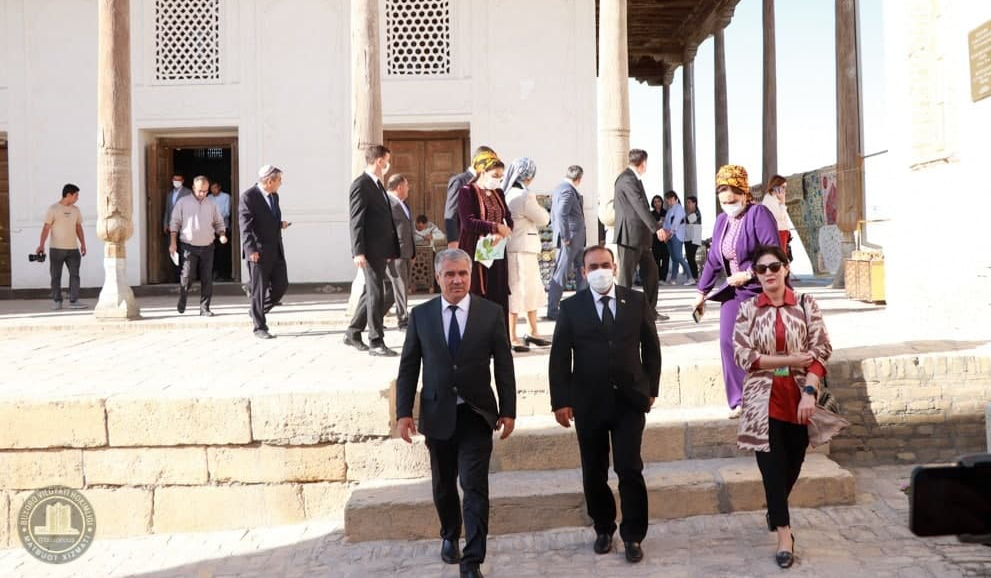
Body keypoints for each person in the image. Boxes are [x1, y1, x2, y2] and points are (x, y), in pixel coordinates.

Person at [396, 248, 516, 578]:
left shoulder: (490, 313)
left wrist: (508, 409)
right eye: (449, 274)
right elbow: (409, 366)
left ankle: (472, 559)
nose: (457, 280)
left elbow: (504, 365)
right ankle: (450, 534)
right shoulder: (421, 316)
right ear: (438, 277)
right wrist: (403, 412)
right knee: (444, 485)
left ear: (470, 275)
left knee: (474, 487)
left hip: (477, 415)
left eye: (462, 273)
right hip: (437, 414)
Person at [548, 245, 661, 564]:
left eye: (605, 265)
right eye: (593, 266)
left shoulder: (635, 301)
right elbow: (559, 358)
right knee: (594, 471)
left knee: (629, 467)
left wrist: (650, 388)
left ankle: (633, 534)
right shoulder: (571, 308)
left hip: (629, 400)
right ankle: (603, 528)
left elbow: (651, 347)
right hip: (589, 402)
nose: (600, 271)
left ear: (615, 267)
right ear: (584, 273)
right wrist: (561, 401)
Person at [733, 245, 833, 569]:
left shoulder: (805, 304)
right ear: (756, 275)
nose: (768, 274)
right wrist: (789, 359)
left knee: (794, 461)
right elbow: (743, 355)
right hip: (761, 399)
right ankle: (784, 536)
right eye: (761, 269)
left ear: (786, 268)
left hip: (798, 395)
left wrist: (810, 391)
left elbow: (821, 349)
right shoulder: (748, 309)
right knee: (772, 469)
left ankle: (775, 509)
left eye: (774, 266)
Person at [692, 165, 780, 418]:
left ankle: (768, 397)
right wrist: (701, 292)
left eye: (732, 200)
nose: (728, 206)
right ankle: (739, 400)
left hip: (759, 287)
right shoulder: (722, 221)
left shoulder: (758, 214)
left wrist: (750, 273)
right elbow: (713, 260)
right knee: (727, 341)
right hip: (733, 290)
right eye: (723, 202)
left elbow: (772, 251)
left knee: (762, 345)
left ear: (744, 194)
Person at [345, 145, 402, 356]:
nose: (388, 165)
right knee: (376, 292)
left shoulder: (377, 184)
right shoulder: (361, 185)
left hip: (380, 249)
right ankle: (376, 341)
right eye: (387, 160)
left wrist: (389, 248)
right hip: (369, 250)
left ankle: (353, 332)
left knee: (374, 291)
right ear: (379, 161)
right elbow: (356, 220)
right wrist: (358, 251)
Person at [503, 157, 551, 353]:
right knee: (517, 293)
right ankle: (513, 336)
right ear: (529, 175)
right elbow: (543, 218)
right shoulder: (524, 196)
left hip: (515, 247)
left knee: (529, 291)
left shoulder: (506, 192)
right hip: (522, 248)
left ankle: (533, 331)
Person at [457, 154, 513, 320]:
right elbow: (468, 222)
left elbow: (508, 218)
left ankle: (500, 336)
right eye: (495, 175)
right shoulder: (467, 192)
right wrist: (495, 227)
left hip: (497, 251)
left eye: (500, 176)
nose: (498, 180)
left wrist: (502, 233)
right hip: (476, 250)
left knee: (498, 293)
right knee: (479, 293)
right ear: (482, 172)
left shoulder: (499, 193)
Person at [239, 165, 290, 339]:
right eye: (279, 180)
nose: (281, 183)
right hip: (258, 251)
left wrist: (279, 224)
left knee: (281, 285)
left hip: (276, 249)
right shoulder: (248, 197)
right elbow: (245, 227)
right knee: (259, 291)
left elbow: (268, 219)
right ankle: (259, 327)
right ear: (269, 181)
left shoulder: (274, 196)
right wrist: (250, 249)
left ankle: (256, 310)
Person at [613, 149, 666, 315]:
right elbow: (639, 205)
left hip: (641, 237)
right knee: (626, 277)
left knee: (652, 274)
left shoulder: (634, 179)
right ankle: (621, 313)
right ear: (643, 163)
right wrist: (656, 228)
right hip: (629, 235)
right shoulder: (627, 179)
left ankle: (650, 312)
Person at [170, 175, 226, 316]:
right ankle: (183, 298)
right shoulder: (183, 202)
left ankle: (204, 308)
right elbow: (174, 223)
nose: (202, 194)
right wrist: (173, 243)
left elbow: (219, 222)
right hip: (188, 246)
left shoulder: (212, 204)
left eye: (205, 191)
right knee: (187, 275)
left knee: (207, 278)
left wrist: (222, 234)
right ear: (193, 188)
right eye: (200, 191)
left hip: (208, 246)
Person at [36, 184, 88, 310]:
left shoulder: (76, 210)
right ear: (68, 195)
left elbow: (78, 228)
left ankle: (74, 301)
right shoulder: (53, 209)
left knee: (75, 275)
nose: (77, 198)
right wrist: (41, 245)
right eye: (76, 195)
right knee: (55, 276)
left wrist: (83, 244)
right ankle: (57, 301)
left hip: (73, 249)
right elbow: (46, 228)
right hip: (56, 249)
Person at [546, 165, 587, 321]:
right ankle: (553, 310)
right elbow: (561, 214)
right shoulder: (567, 191)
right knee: (561, 273)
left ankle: (583, 306)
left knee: (582, 271)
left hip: (575, 239)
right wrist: (565, 236)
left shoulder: (561, 188)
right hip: (570, 239)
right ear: (579, 178)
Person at [445, 145, 496, 249]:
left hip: (484, 244)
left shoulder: (486, 183)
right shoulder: (460, 181)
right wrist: (453, 243)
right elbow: (451, 215)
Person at [384, 174, 415, 331]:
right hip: (394, 253)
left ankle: (376, 316)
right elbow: (384, 230)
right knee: (401, 286)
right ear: (399, 187)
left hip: (405, 252)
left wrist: (413, 251)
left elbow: (407, 229)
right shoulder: (386, 202)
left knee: (395, 289)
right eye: (407, 185)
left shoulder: (402, 204)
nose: (409, 188)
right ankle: (403, 320)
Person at [163, 174, 192, 282]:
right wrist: (165, 224)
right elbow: (167, 210)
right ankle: (175, 276)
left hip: (184, 227)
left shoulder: (188, 193)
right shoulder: (170, 194)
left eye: (179, 180)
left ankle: (185, 275)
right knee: (173, 251)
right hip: (172, 227)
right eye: (175, 179)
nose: (177, 182)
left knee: (184, 251)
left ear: (183, 181)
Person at [662, 191, 693, 285]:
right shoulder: (670, 210)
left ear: (675, 198)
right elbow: (666, 223)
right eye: (667, 200)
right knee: (674, 258)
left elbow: (676, 223)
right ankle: (673, 279)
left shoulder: (679, 208)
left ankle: (690, 278)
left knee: (678, 256)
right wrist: (665, 234)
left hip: (677, 236)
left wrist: (669, 234)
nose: (669, 201)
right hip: (669, 236)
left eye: (670, 199)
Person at [763, 175, 793, 261]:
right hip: (778, 232)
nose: (784, 190)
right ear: (775, 186)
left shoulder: (775, 198)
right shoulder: (769, 199)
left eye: (785, 187)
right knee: (780, 258)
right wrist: (783, 202)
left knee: (782, 258)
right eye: (783, 187)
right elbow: (780, 216)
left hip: (782, 232)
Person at [210, 181, 233, 281]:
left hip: (223, 228)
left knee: (223, 251)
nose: (213, 190)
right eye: (211, 188)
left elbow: (227, 212)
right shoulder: (208, 198)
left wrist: (216, 220)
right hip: (211, 229)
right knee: (212, 252)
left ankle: (224, 274)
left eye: (215, 188)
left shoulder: (226, 197)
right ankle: (214, 272)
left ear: (219, 187)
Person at [649, 195, 669, 287]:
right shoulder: (651, 214)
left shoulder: (666, 212)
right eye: (655, 202)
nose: (657, 203)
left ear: (661, 202)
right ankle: (657, 278)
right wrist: (658, 223)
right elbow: (650, 226)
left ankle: (663, 278)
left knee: (665, 258)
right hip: (655, 238)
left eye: (659, 201)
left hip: (665, 238)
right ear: (653, 203)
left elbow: (669, 224)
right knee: (656, 259)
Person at [684, 196, 703, 282]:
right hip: (688, 238)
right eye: (687, 203)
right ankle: (693, 277)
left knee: (691, 257)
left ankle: (695, 277)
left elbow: (686, 221)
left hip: (694, 238)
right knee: (689, 257)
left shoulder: (697, 213)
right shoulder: (689, 213)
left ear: (694, 203)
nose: (687, 204)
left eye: (689, 202)